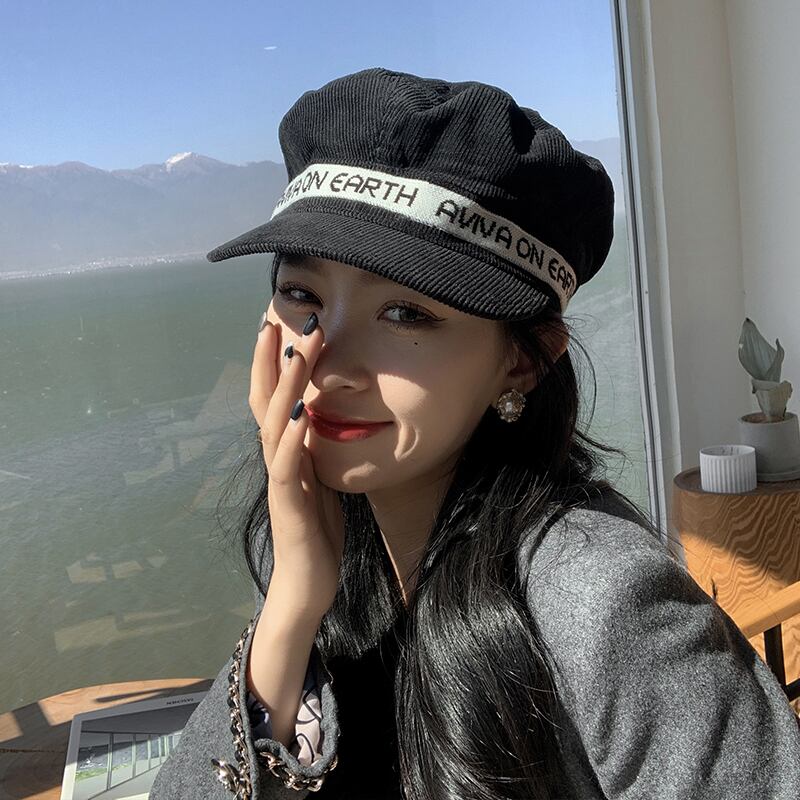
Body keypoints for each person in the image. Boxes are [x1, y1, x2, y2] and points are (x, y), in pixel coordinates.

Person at [149, 67, 800, 800]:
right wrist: (290, 609)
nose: (325, 363)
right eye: (302, 294)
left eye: (406, 313)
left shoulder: (599, 602)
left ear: (522, 361)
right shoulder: (312, 544)